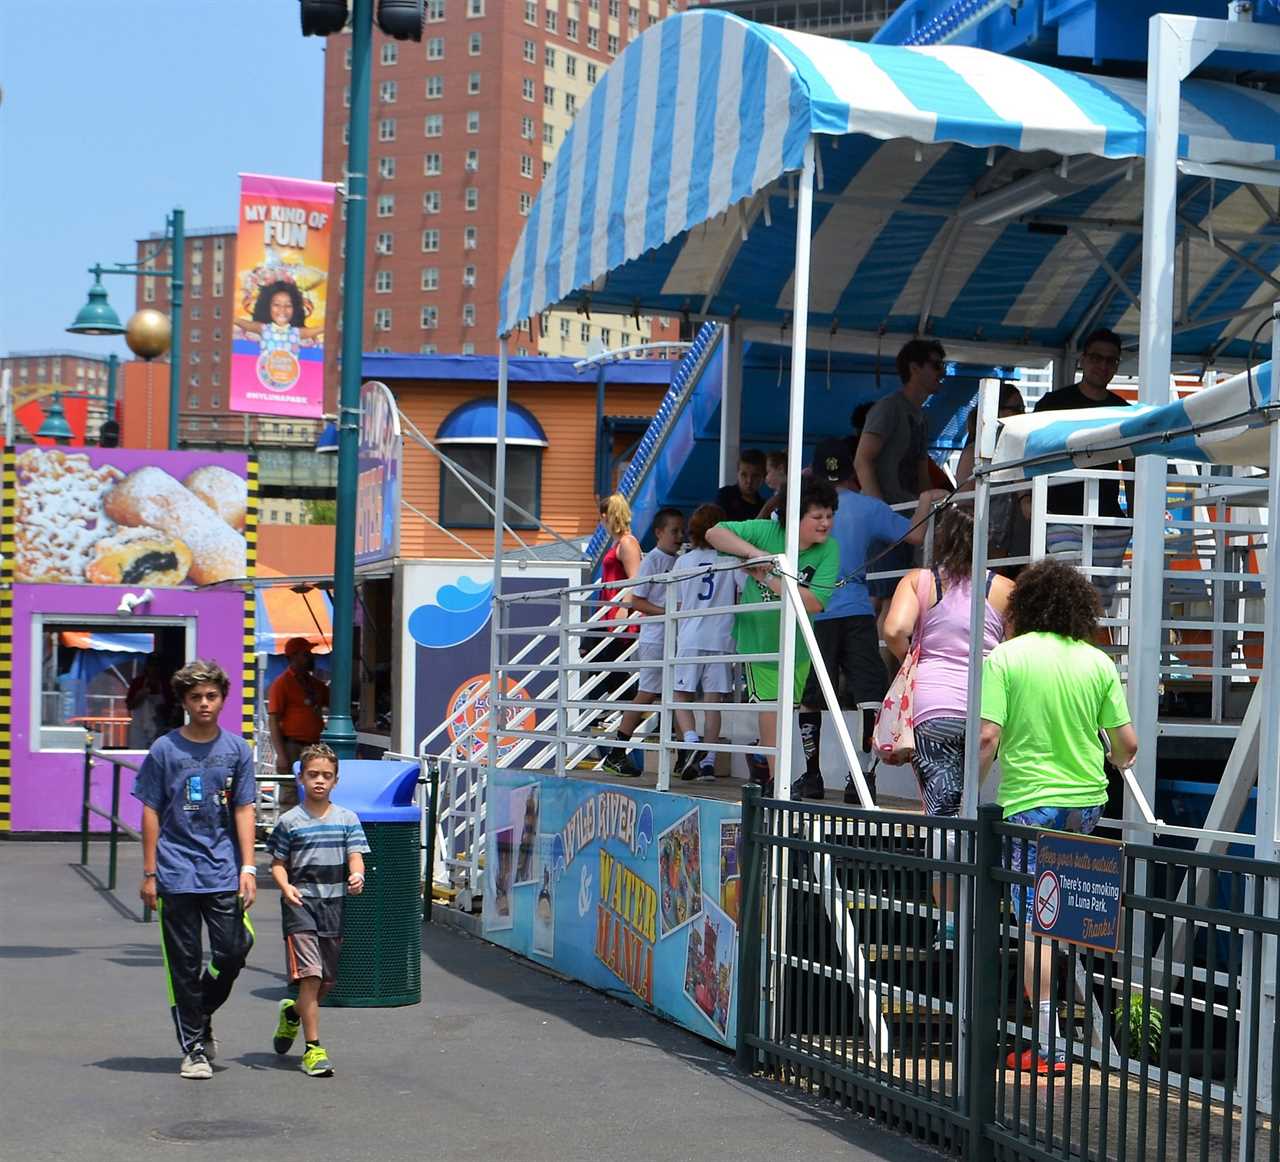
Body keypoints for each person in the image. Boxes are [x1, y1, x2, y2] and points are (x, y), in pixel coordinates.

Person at [978, 559, 1137, 1075]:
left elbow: (986, 737)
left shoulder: (1005, 658)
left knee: (1036, 924)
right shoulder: (1097, 663)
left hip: (1031, 804)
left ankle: (1047, 1045)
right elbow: (1127, 745)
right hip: (1087, 802)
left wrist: (969, 794)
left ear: (1024, 605)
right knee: (1067, 916)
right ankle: (1067, 1033)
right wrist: (1113, 760)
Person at [793, 439, 948, 802]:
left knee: (811, 697)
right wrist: (925, 500)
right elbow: (916, 535)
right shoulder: (867, 507)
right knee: (868, 695)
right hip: (858, 610)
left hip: (814, 611)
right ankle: (862, 779)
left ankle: (811, 776)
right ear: (851, 473)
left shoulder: (800, 512)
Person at [133, 659, 256, 1080]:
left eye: (211, 696)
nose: (204, 703)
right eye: (195, 697)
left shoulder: (237, 749)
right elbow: (150, 810)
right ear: (184, 701)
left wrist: (249, 867)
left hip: (222, 869)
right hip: (175, 870)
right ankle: (194, 1049)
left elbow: (243, 807)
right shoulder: (165, 749)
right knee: (183, 964)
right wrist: (150, 873)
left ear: (222, 699)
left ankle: (199, 1013)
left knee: (233, 951)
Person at [883, 506, 1012, 835]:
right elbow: (1016, 651)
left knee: (941, 816)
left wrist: (911, 661)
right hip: (987, 707)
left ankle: (946, 882)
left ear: (941, 540)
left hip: (932, 705)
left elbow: (894, 629)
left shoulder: (918, 581)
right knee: (969, 806)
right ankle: (969, 880)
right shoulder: (1006, 590)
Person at [706, 478, 841, 791]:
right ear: (795, 516)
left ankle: (773, 774)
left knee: (787, 709)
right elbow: (715, 533)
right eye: (817, 516)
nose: (825, 523)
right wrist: (756, 554)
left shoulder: (829, 550)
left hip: (797, 642)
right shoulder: (768, 531)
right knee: (770, 707)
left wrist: (768, 576)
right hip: (759, 640)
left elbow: (814, 602)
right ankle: (777, 778)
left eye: (829, 515)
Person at [268, 742, 369, 1078]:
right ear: (301, 778)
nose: (320, 781)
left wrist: (357, 874)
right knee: (310, 975)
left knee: (324, 983)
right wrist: (285, 887)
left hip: (333, 905)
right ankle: (314, 1049)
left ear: (336, 781)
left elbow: (356, 855)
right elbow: (278, 864)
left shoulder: (347, 819)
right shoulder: (289, 821)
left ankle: (293, 1014)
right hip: (300, 906)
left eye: (327, 776)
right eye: (313, 775)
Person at [1032, 328, 1132, 611]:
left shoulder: (1123, 410)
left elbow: (1132, 465)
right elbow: (1031, 455)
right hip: (1059, 514)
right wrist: (1026, 500)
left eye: (1110, 360)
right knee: (1065, 593)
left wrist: (1136, 517)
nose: (1102, 365)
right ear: (1083, 360)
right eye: (1096, 358)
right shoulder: (1053, 404)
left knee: (1097, 605)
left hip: (1110, 520)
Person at [856, 340, 947, 611]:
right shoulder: (888, 408)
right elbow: (862, 459)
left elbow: (921, 469)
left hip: (910, 519)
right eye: (936, 365)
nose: (942, 372)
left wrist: (932, 513)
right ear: (914, 368)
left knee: (899, 599)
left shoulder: (921, 416)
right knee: (883, 599)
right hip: (888, 518)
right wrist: (879, 510)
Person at [601, 506, 685, 777]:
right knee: (648, 692)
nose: (680, 536)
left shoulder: (681, 560)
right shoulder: (653, 560)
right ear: (659, 532)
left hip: (673, 635)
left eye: (682, 531)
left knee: (678, 691)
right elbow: (637, 599)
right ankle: (618, 748)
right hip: (656, 635)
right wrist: (667, 613)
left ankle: (685, 753)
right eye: (674, 531)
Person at [671, 503, 741, 782]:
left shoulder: (683, 562)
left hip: (690, 634)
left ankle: (690, 742)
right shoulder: (731, 560)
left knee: (681, 694)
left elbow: (676, 603)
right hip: (722, 635)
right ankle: (709, 762)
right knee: (714, 701)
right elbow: (741, 591)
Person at [591, 494, 643, 707]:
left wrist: (624, 607)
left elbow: (635, 576)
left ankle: (629, 706)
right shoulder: (619, 542)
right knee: (596, 654)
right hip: (609, 610)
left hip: (619, 611)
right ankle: (624, 706)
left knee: (611, 660)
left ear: (606, 517)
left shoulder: (627, 542)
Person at [268, 637, 329, 809]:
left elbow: (334, 699)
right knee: (290, 793)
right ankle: (288, 833)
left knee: (315, 791)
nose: (311, 657)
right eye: (306, 654)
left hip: (314, 747)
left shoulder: (314, 684)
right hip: (292, 746)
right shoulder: (281, 684)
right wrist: (281, 754)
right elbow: (273, 721)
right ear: (292, 657)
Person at [235, 279, 322, 353]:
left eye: (288, 305)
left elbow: (321, 328)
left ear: (295, 308)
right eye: (276, 305)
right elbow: (241, 322)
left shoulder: (297, 332)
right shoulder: (263, 328)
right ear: (266, 306)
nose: (282, 310)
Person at [126, 653, 176, 751]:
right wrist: (140, 696)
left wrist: (162, 710)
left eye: (157, 666)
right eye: (151, 665)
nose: (154, 669)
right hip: (139, 727)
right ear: (147, 667)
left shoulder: (166, 684)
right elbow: (130, 706)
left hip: (159, 727)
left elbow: (172, 707)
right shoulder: (138, 682)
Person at [715, 449, 767, 522]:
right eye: (744, 475)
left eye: (755, 476)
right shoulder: (725, 496)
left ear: (763, 477)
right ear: (737, 474)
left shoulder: (763, 506)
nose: (749, 481)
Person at [757, 451, 787, 519]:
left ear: (780, 468)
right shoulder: (777, 495)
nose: (765, 478)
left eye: (768, 472)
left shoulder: (784, 495)